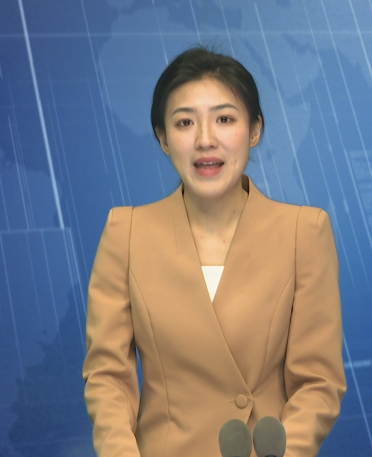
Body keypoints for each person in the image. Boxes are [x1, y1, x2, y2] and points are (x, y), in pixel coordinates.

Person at [82, 46, 347, 457]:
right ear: (163, 138)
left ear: (255, 130)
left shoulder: (304, 233)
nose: (205, 140)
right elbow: (108, 378)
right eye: (185, 122)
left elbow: (318, 383)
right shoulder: (126, 234)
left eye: (224, 119)